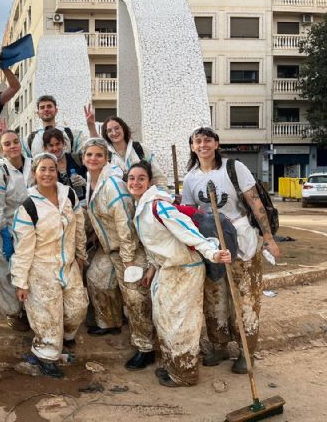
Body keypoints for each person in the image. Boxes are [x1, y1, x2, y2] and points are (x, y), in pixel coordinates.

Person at [182, 126, 280, 374]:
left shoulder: (234, 168)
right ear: (193, 147)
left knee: (245, 297)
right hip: (212, 243)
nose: (203, 145)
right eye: (197, 141)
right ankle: (219, 345)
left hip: (242, 240)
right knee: (215, 296)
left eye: (208, 140)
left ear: (216, 144)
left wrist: (268, 237)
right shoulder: (192, 177)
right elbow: (189, 213)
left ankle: (247, 350)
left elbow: (255, 202)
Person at [128, 161, 231, 387]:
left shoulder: (159, 206)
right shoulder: (141, 207)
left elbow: (188, 231)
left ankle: (185, 374)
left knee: (181, 324)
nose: (135, 182)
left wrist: (213, 253)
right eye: (132, 178)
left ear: (150, 182)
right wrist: (152, 269)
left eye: (141, 178)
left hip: (185, 270)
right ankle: (173, 366)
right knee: (164, 319)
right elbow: (154, 243)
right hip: (168, 270)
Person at [11, 153, 89, 378]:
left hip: (68, 264)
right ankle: (45, 354)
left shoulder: (69, 196)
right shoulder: (28, 206)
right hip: (41, 268)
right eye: (42, 169)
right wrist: (21, 282)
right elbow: (23, 248)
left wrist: (81, 255)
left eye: (51, 169)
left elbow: (79, 227)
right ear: (34, 173)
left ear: (57, 171)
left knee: (77, 308)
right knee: (47, 315)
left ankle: (61, 340)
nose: (47, 174)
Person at [82, 139, 157, 369]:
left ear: (106, 158)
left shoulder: (112, 184)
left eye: (98, 155)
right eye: (89, 155)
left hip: (129, 249)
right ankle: (110, 322)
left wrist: (128, 260)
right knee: (96, 279)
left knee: (135, 297)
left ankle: (146, 347)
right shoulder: (91, 180)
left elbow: (124, 222)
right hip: (109, 248)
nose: (93, 159)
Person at [0, 130, 32, 331]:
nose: (13, 146)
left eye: (16, 141)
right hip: (5, 229)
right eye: (7, 144)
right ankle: (13, 313)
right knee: (5, 274)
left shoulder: (33, 166)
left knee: (28, 271)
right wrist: (4, 233)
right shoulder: (0, 173)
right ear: (2, 148)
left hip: (31, 229)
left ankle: (31, 311)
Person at [96, 116, 168, 188]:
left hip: (144, 198)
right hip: (118, 199)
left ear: (123, 128)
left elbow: (159, 178)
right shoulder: (106, 156)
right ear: (106, 134)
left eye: (117, 128)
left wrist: (160, 195)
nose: (114, 133)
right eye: (109, 131)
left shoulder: (140, 149)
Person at [42, 128, 87, 204]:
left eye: (58, 144)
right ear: (46, 147)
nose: (55, 148)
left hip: (83, 206)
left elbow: (96, 179)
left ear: (63, 143)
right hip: (61, 209)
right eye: (51, 145)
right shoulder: (45, 168)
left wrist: (85, 183)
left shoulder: (77, 159)